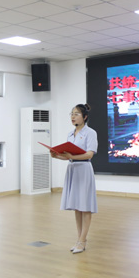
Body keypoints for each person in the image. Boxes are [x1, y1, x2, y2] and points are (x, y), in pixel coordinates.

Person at [51, 103, 97, 254]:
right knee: (77, 206)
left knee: (85, 206)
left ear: (85, 117)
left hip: (84, 169)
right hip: (72, 169)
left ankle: (83, 241)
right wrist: (57, 156)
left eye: (76, 114)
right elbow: (68, 157)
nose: (73, 116)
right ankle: (79, 239)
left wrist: (72, 156)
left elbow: (89, 154)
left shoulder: (90, 133)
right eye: (71, 114)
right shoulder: (70, 134)